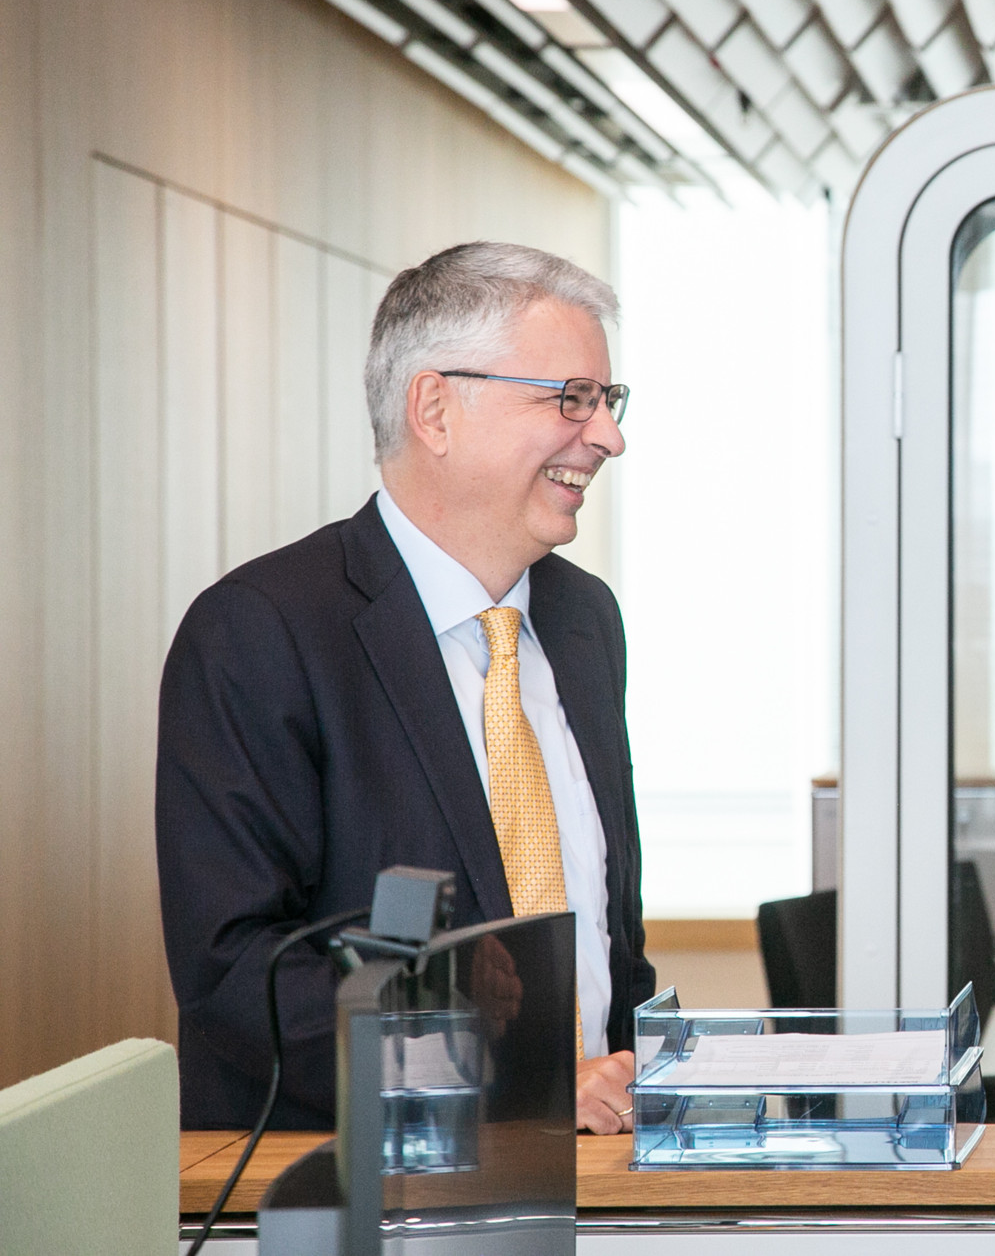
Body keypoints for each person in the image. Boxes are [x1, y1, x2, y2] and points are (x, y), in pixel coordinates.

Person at [157, 242, 656, 1136]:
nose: (608, 435)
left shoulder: (587, 624)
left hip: (590, 1196)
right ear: (436, 408)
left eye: (607, 401)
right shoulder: (260, 631)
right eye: (570, 398)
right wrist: (513, 1083)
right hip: (360, 1197)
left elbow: (612, 945)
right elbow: (239, 979)